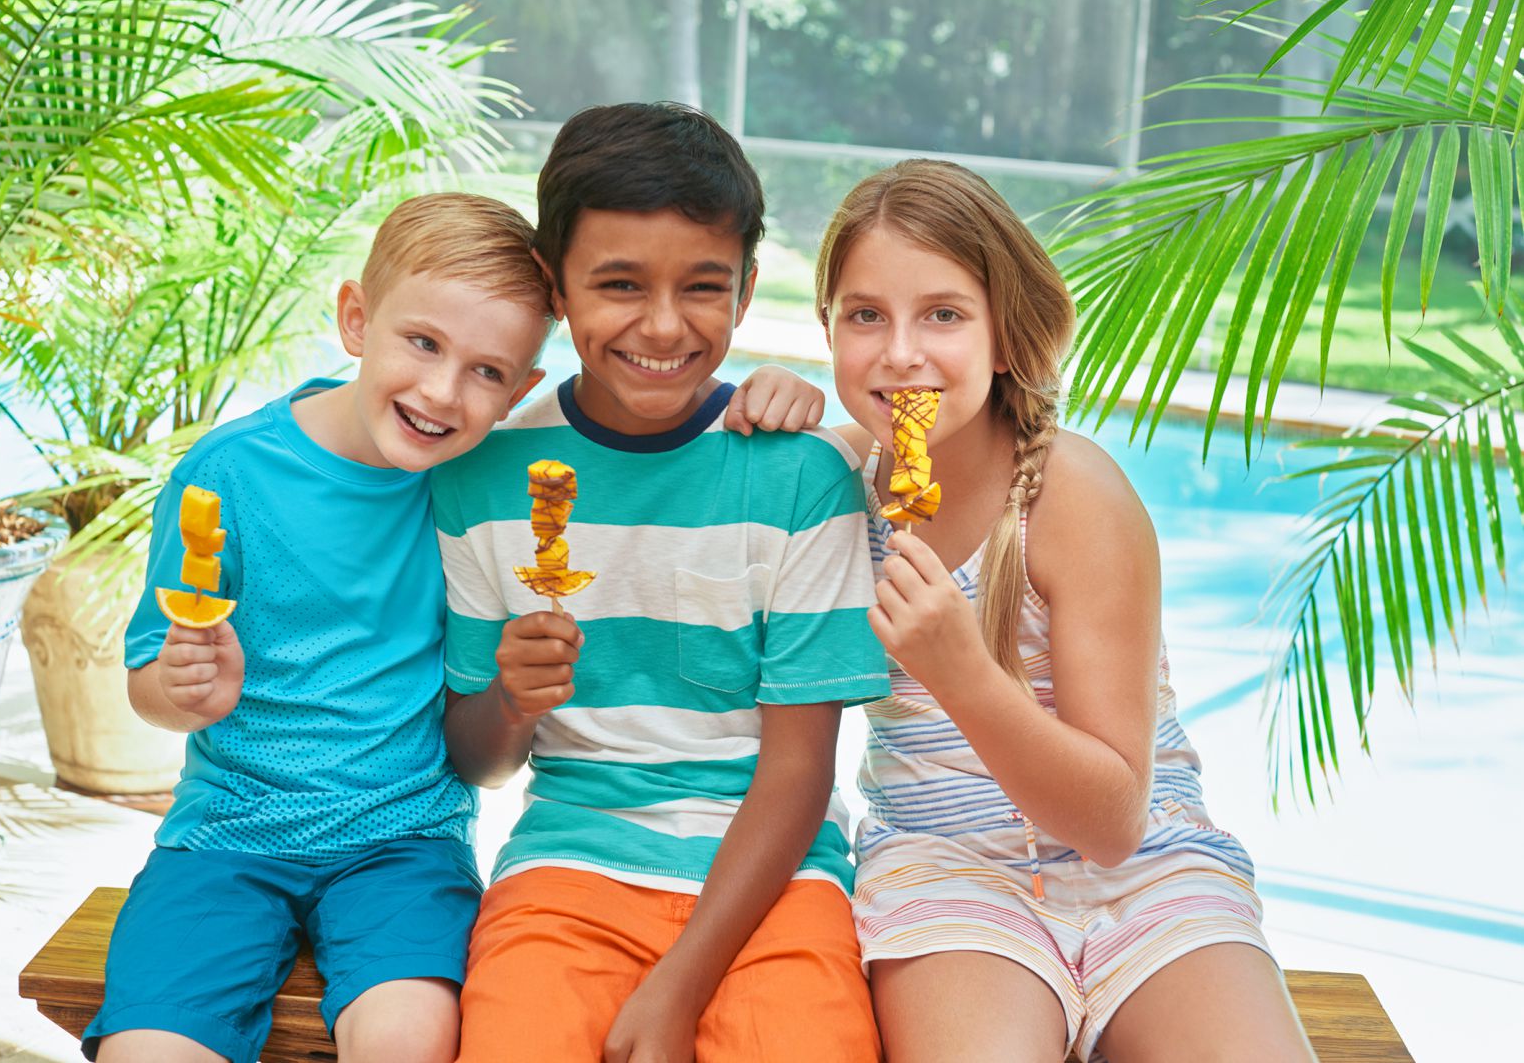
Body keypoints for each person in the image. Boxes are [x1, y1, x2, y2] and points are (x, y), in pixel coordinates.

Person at [85, 190, 822, 1063]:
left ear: (520, 391)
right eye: (422, 343)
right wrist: (178, 689)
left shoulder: (487, 477)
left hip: (405, 844)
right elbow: (150, 684)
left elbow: (660, 436)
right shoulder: (227, 477)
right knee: (148, 1052)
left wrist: (769, 391)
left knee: (412, 1041)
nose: (442, 392)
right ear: (356, 318)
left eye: (485, 371)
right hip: (224, 838)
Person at [819, 160, 1316, 1063]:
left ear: (1004, 335)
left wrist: (962, 671)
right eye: (865, 315)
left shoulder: (1070, 497)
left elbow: (1112, 821)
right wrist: (766, 409)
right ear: (827, 328)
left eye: (943, 313)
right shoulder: (828, 487)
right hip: (946, 865)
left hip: (1147, 868)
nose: (899, 353)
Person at [433, 102, 890, 1063]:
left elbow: (801, 770)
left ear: (747, 288)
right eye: (618, 284)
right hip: (566, 863)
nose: (662, 324)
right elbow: (479, 762)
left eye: (703, 288)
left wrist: (679, 985)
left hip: (778, 880)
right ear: (556, 286)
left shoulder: (798, 477)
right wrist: (512, 700)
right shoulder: (479, 477)